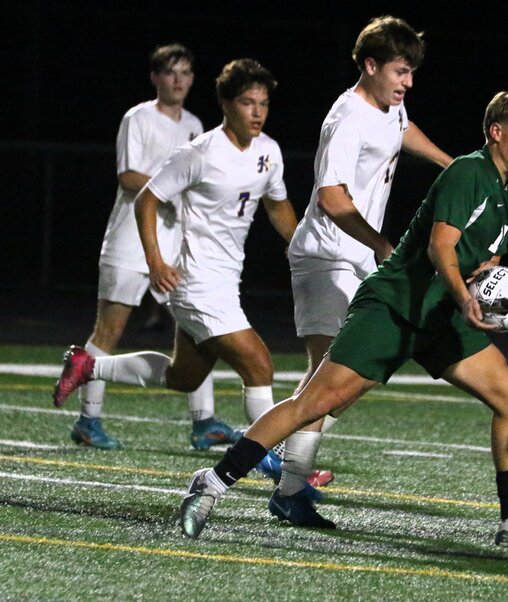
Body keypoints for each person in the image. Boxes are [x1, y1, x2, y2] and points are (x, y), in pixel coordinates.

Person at [178, 87, 508, 550]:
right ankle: (211, 482)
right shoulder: (469, 172)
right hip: (395, 307)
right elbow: (439, 246)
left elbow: (483, 257)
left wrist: (485, 282)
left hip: (438, 315)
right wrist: (464, 297)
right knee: (313, 404)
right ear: (496, 131)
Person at [53, 59, 299, 473]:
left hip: (225, 280)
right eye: (246, 102)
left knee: (183, 376)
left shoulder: (269, 152)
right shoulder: (199, 152)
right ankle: (279, 466)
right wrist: (155, 260)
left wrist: (303, 247)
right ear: (225, 103)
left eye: (263, 103)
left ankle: (89, 364)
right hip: (196, 282)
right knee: (258, 364)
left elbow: (277, 206)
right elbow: (147, 198)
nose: (257, 112)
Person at [268, 15, 453, 490]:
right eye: (399, 71)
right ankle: (288, 478)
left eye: (411, 72)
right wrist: (380, 242)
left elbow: (401, 130)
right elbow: (331, 197)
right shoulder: (347, 118)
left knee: (358, 370)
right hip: (326, 257)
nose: (408, 82)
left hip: (356, 259)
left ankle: (280, 452)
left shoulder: (389, 107)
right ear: (370, 66)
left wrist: (451, 166)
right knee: (334, 373)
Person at [65, 43, 238, 451]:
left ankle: (205, 422)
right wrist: (171, 193)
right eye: (170, 72)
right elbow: (128, 177)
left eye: (185, 73)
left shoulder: (196, 124)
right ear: (156, 77)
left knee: (200, 326)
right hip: (129, 242)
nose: (178, 80)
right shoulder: (138, 118)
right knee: (110, 331)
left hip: (176, 247)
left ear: (193, 79)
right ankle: (88, 422)